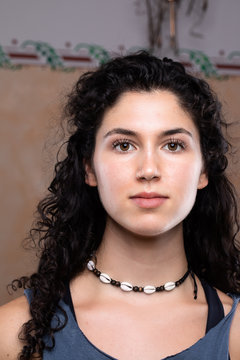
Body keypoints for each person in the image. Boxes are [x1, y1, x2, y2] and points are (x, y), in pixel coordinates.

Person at [0, 51, 240, 360]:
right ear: (89, 168)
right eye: (124, 145)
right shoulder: (15, 333)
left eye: (173, 145)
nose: (149, 169)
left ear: (204, 170)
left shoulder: (235, 333)